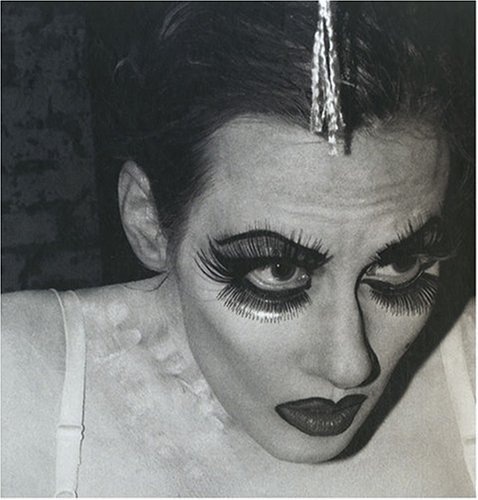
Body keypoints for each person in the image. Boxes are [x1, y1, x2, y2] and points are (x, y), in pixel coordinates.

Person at [2, 1, 475, 496]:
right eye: (278, 270)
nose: (350, 365)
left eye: (399, 264)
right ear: (149, 221)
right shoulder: (17, 383)